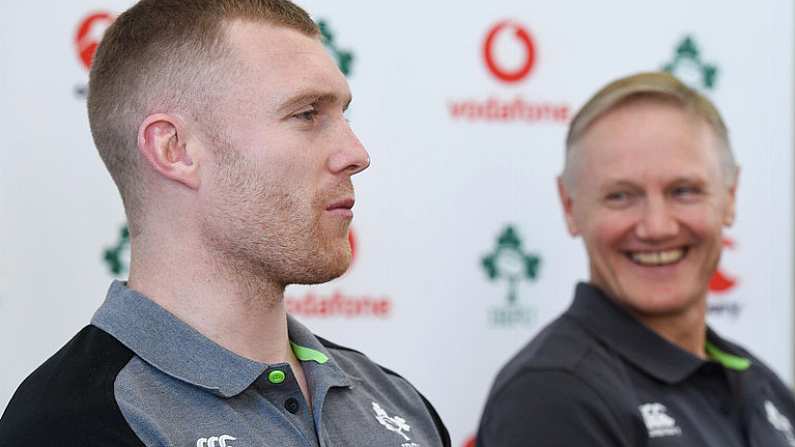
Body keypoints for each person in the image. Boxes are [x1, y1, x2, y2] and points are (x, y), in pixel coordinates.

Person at [0, 1, 449, 446]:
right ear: (175, 150)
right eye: (307, 114)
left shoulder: (398, 404)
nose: (356, 154)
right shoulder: (73, 423)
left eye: (342, 115)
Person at [477, 72, 795, 446]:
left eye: (684, 191)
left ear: (730, 196)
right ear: (569, 206)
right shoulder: (552, 395)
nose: (656, 227)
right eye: (621, 196)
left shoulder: (759, 382)